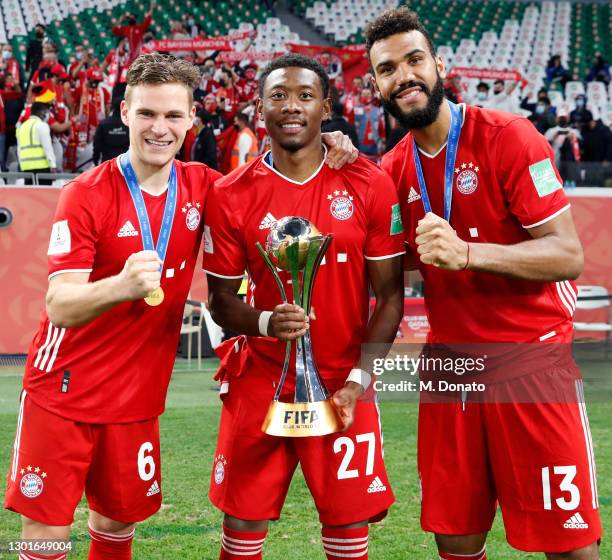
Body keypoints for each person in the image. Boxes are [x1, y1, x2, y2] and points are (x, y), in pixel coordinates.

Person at [365, 7, 601, 560]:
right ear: (376, 84)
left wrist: (467, 253)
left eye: (414, 59)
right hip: (451, 370)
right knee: (455, 539)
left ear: (439, 65)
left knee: (567, 543)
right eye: (387, 69)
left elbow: (568, 254)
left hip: (529, 361)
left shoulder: (510, 137)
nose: (404, 76)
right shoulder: (391, 170)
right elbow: (381, 278)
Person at [4, 53, 221, 560]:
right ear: (124, 113)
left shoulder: (203, 185)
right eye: (147, 113)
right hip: (63, 395)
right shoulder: (85, 194)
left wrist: (334, 145)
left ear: (192, 119)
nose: (159, 129)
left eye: (172, 116)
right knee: (42, 537)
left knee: (117, 528)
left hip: (136, 403)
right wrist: (121, 285)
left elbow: (275, 183)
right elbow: (59, 304)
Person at [203, 53, 404, 560]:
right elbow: (221, 301)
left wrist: (359, 382)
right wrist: (268, 321)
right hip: (260, 377)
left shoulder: (368, 182)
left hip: (342, 381)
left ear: (326, 108)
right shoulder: (229, 194)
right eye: (278, 95)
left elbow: (390, 297)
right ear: (258, 106)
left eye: (305, 96)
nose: (291, 107)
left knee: (347, 525)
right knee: (242, 521)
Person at [17, 101, 56, 182]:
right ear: (40, 111)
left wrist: (21, 164)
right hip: (42, 167)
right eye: (45, 111)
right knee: (43, 194)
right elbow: (47, 147)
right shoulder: (42, 125)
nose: (46, 114)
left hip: (26, 167)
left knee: (30, 194)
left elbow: (19, 148)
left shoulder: (22, 127)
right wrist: (53, 165)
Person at [112, 0, 155, 64]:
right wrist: (120, 20)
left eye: (133, 17)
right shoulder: (125, 29)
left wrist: (152, 8)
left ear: (135, 19)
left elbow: (148, 20)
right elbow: (114, 31)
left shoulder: (140, 28)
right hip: (127, 57)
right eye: (130, 16)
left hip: (138, 56)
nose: (132, 18)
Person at [92, 97, 130, 164]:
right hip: (125, 164)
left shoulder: (103, 124)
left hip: (107, 163)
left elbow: (97, 145)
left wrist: (95, 161)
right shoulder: (129, 125)